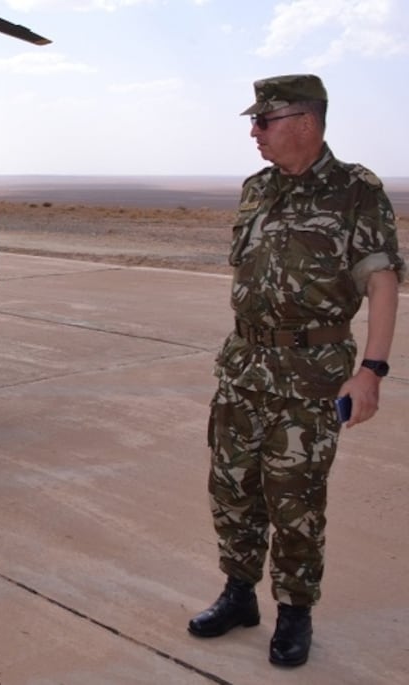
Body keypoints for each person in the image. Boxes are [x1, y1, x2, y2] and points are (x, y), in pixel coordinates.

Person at [188, 74, 402, 668]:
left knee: (296, 500)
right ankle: (238, 594)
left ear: (305, 123)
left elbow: (382, 282)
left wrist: (372, 371)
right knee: (231, 489)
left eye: (265, 120)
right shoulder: (256, 189)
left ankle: (295, 611)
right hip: (243, 368)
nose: (254, 132)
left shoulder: (355, 190)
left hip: (312, 376)